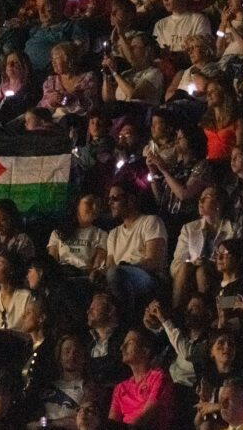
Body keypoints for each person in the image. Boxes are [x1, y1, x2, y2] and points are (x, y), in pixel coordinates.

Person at [96, 182, 167, 318]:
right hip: (119, 273)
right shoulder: (113, 234)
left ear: (131, 199)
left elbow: (153, 261)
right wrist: (98, 272)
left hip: (149, 276)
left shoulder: (150, 222)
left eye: (115, 198)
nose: (110, 203)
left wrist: (125, 267)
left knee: (116, 273)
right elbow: (110, 265)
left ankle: (126, 319)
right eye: (109, 199)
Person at [107, 328, 174, 429]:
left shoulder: (158, 377)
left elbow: (147, 416)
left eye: (129, 343)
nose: (122, 347)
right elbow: (112, 421)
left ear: (145, 351)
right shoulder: (120, 387)